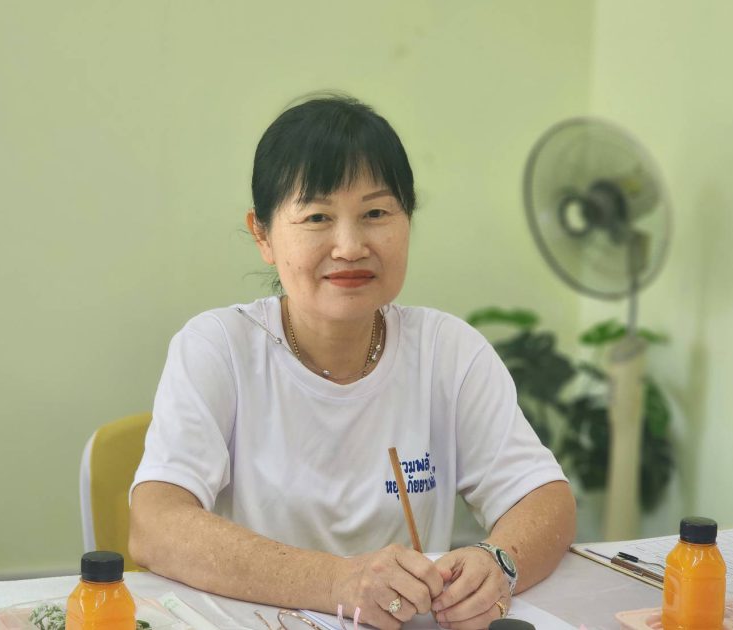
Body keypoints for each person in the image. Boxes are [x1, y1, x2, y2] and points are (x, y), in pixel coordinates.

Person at [129, 94, 576, 630]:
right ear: (262, 234)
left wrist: (497, 562)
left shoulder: (448, 351)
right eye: (317, 216)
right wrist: (337, 582)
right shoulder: (219, 347)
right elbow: (155, 524)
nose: (349, 246)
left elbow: (544, 498)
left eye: (376, 214)